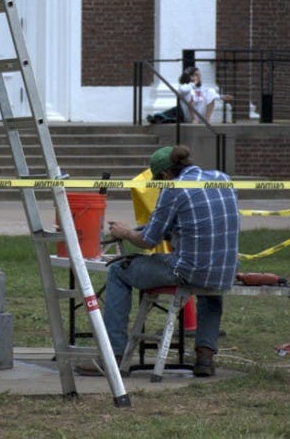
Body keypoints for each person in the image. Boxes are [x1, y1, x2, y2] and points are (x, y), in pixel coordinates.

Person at [78, 145, 239, 377]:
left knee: (118, 271)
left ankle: (113, 355)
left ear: (164, 175)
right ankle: (205, 357)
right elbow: (198, 224)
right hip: (224, 270)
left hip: (186, 270)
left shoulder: (173, 189)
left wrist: (125, 233)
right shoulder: (222, 178)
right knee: (208, 281)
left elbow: (148, 240)